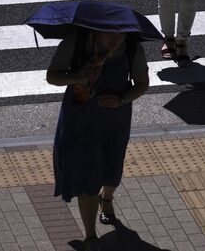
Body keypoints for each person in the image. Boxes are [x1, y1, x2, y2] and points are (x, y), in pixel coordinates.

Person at [46, 28, 149, 251]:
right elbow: (52, 76)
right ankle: (90, 236)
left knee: (112, 170)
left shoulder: (132, 49)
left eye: (120, 35)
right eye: (109, 34)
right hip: (81, 119)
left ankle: (107, 198)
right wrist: (78, 77)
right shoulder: (76, 43)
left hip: (115, 119)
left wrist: (121, 98)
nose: (115, 39)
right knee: (88, 177)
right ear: (96, 30)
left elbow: (142, 84)